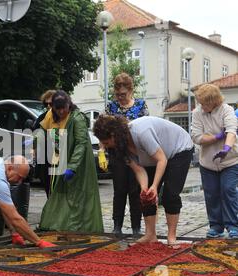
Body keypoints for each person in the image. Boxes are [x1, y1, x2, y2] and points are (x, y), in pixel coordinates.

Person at [93, 115, 194, 247]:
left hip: (178, 149)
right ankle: (150, 234)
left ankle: (171, 237)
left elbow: (161, 160)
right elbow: (139, 170)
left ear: (114, 134)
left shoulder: (141, 132)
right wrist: (145, 188)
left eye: (106, 143)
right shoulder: (119, 147)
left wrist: (155, 186)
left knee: (170, 194)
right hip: (155, 157)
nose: (105, 147)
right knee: (145, 196)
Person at [35, 90, 103, 233]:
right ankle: (58, 225)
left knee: (78, 195)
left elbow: (81, 144)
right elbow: (42, 131)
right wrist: (34, 140)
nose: (61, 112)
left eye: (63, 108)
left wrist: (72, 167)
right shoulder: (50, 115)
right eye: (57, 109)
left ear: (69, 105)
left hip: (78, 163)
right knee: (57, 195)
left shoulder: (77, 119)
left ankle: (80, 228)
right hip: (58, 161)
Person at [103, 73, 149, 236]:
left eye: (123, 94)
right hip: (117, 154)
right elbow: (104, 129)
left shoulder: (141, 105)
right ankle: (117, 225)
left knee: (135, 191)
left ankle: (136, 226)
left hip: (136, 153)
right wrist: (103, 148)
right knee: (119, 190)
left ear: (130, 90)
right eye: (117, 94)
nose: (120, 97)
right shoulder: (111, 107)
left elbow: (146, 129)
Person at [191, 84, 238, 239]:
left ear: (214, 101)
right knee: (211, 194)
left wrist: (226, 148)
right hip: (208, 161)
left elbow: (231, 131)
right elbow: (197, 137)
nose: (201, 106)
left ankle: (233, 225)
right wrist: (217, 137)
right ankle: (216, 226)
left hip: (230, 160)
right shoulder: (197, 113)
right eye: (199, 102)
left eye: (203, 103)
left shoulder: (227, 110)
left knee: (228, 189)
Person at [31, 90, 56, 198]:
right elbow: (35, 137)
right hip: (44, 159)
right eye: (46, 104)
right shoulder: (41, 118)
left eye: (52, 103)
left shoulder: (64, 116)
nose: (49, 106)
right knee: (48, 188)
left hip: (59, 158)